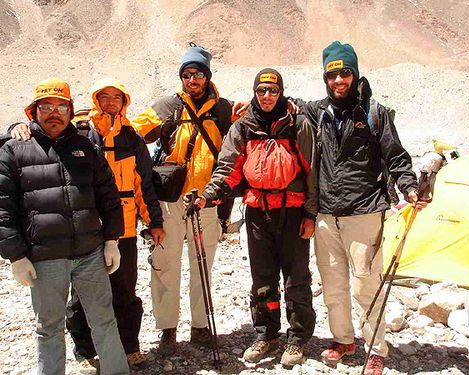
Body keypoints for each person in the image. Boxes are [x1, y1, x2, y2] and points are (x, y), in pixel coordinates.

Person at [9, 78, 165, 369]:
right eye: (103, 96)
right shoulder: (83, 132)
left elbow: (144, 183)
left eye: (115, 97)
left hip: (121, 226)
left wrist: (153, 220)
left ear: (124, 102)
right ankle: (85, 351)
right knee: (79, 301)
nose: (109, 102)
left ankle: (129, 347)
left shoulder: (131, 137)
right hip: (76, 233)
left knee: (124, 292)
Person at [294, 41, 427, 375]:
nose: (338, 80)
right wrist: (247, 105)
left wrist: (409, 187)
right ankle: (344, 339)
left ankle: (376, 348)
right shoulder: (317, 111)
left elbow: (395, 155)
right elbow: (282, 105)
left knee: (365, 284)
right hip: (326, 214)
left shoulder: (374, 111)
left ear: (355, 74)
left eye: (345, 73)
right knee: (333, 283)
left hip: (365, 212)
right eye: (332, 74)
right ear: (324, 77)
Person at [191, 68, 317, 367]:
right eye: (262, 91)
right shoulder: (243, 126)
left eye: (273, 91)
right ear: (255, 93)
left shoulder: (297, 123)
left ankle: (297, 338)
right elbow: (228, 167)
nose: (267, 96)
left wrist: (311, 213)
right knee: (262, 277)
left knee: (296, 278)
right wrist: (208, 194)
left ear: (281, 92)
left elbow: (313, 171)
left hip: (293, 210)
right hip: (258, 212)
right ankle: (267, 334)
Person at [131, 45, 236, 353]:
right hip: (170, 201)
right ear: (182, 77)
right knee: (165, 263)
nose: (193, 79)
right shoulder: (167, 106)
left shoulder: (224, 110)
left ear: (207, 76)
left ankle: (201, 326)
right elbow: (132, 132)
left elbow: (243, 136)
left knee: (203, 263)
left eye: (198, 73)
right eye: (187, 74)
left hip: (206, 200)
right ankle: (167, 328)